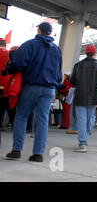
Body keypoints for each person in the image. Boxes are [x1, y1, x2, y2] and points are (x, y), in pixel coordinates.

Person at [3, 22, 62, 162]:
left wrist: (7, 71)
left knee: (22, 116)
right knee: (43, 119)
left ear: (39, 30)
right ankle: (38, 154)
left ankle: (17, 150)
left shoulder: (30, 44)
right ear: (50, 32)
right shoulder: (56, 49)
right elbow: (59, 73)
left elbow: (18, 63)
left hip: (31, 85)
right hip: (49, 89)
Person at [70, 45, 97, 153]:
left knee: (81, 119)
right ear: (95, 53)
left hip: (80, 96)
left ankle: (82, 143)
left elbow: (72, 81)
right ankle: (85, 137)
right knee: (89, 118)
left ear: (86, 53)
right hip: (93, 96)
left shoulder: (78, 65)